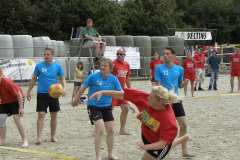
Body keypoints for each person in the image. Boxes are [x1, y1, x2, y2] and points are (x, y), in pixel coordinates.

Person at [89, 86, 190, 160]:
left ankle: (181, 138)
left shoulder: (169, 121)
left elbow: (162, 143)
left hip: (159, 144)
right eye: (149, 95)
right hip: (147, 133)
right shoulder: (146, 98)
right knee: (157, 133)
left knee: (165, 147)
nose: (147, 98)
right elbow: (123, 94)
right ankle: (183, 138)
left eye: (151, 98)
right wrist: (102, 92)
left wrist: (147, 147)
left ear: (159, 102)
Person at [71, 58, 122, 160]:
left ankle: (110, 154)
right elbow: (83, 88)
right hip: (94, 106)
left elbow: (121, 93)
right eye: (101, 65)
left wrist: (129, 103)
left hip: (107, 106)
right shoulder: (93, 77)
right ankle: (98, 156)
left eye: (105, 66)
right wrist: (75, 99)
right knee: (100, 130)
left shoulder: (114, 79)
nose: (102, 67)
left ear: (110, 68)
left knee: (111, 130)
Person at [155, 47, 195, 158]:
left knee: (183, 124)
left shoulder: (179, 69)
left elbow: (180, 85)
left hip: (175, 100)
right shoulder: (159, 69)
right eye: (164, 53)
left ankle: (184, 150)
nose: (165, 55)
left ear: (174, 56)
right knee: (160, 127)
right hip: (163, 101)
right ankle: (157, 148)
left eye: (167, 53)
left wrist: (185, 83)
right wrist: (164, 99)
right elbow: (158, 87)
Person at [27, 48, 66, 145]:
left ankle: (52, 136)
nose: (46, 56)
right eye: (45, 54)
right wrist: (28, 91)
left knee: (54, 115)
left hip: (53, 94)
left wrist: (64, 88)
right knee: (41, 114)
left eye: (48, 54)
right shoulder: (39, 66)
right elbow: (33, 79)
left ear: (52, 56)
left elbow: (62, 78)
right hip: (42, 93)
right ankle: (39, 137)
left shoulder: (57, 66)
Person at [111, 48, 135, 135]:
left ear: (124, 55)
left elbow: (127, 78)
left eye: (121, 54)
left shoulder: (126, 65)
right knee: (109, 110)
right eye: (117, 54)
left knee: (125, 109)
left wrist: (129, 89)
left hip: (122, 91)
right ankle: (98, 128)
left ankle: (122, 129)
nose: (119, 55)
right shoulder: (113, 64)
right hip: (113, 91)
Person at [0, 72, 28, 148]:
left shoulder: (7, 82)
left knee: (16, 118)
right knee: (1, 119)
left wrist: (21, 107)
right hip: (4, 101)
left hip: (16, 99)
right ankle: (2, 141)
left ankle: (25, 140)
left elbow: (18, 93)